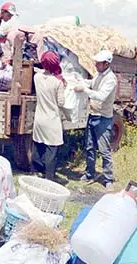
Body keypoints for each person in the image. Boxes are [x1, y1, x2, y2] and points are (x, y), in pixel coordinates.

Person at [74, 50, 117, 190]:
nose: (96, 64)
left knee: (104, 150)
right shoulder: (99, 74)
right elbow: (92, 83)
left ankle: (108, 178)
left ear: (106, 64)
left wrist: (84, 90)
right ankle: (89, 173)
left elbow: (101, 96)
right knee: (90, 147)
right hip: (93, 115)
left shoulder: (111, 79)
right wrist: (81, 81)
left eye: (98, 62)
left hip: (103, 118)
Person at [31, 51, 66, 181]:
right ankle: (49, 177)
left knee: (38, 145)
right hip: (52, 119)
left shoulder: (37, 78)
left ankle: (36, 172)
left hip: (39, 118)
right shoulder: (58, 83)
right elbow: (61, 102)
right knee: (52, 149)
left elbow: (38, 71)